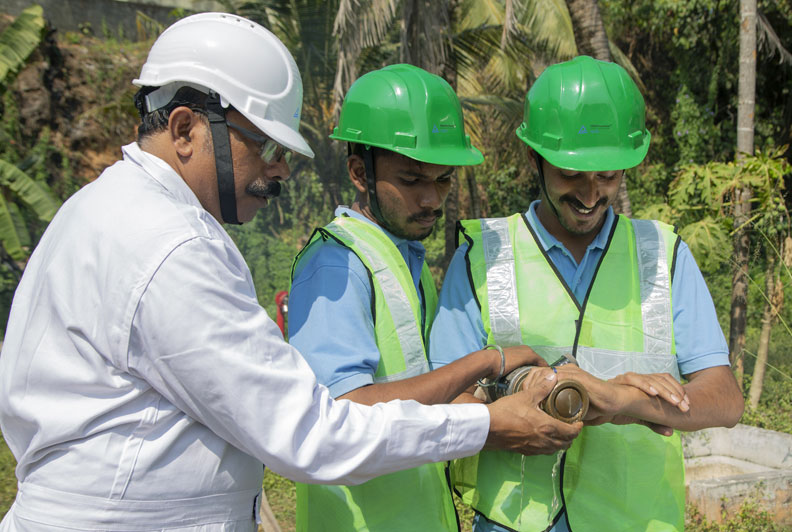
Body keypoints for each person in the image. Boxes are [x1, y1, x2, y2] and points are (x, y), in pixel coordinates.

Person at [0, 16, 586, 531]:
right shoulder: (170, 249)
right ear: (185, 130)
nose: (280, 170)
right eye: (264, 146)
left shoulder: (101, 209)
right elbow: (314, 432)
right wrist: (483, 421)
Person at [429, 56, 745, 532]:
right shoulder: (481, 257)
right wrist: (507, 415)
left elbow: (724, 398)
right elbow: (440, 405)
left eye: (608, 175)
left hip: (637, 521)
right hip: (512, 522)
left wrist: (623, 401)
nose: (591, 192)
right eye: (571, 173)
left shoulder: (664, 254)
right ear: (535, 158)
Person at [288, 64, 581, 532]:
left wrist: (506, 401)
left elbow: (420, 397)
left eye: (443, 180)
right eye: (410, 180)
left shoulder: (405, 261)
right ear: (360, 172)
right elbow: (344, 414)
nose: (431, 199)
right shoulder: (334, 265)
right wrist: (487, 362)